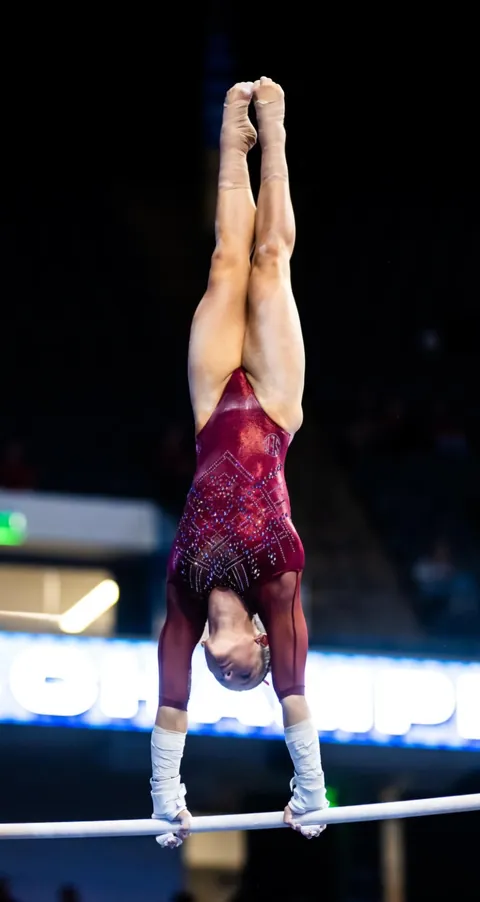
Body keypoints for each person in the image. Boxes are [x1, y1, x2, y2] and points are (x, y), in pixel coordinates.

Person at [151, 78, 328, 848]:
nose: (232, 678)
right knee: (271, 258)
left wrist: (166, 799)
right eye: (245, 675)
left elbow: (169, 704)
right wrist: (312, 792)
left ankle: (231, 140)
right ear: (260, 640)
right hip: (275, 409)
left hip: (209, 408)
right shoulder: (278, 581)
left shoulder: (187, 596)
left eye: (223, 678)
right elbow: (295, 695)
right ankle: (276, 132)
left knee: (226, 260)